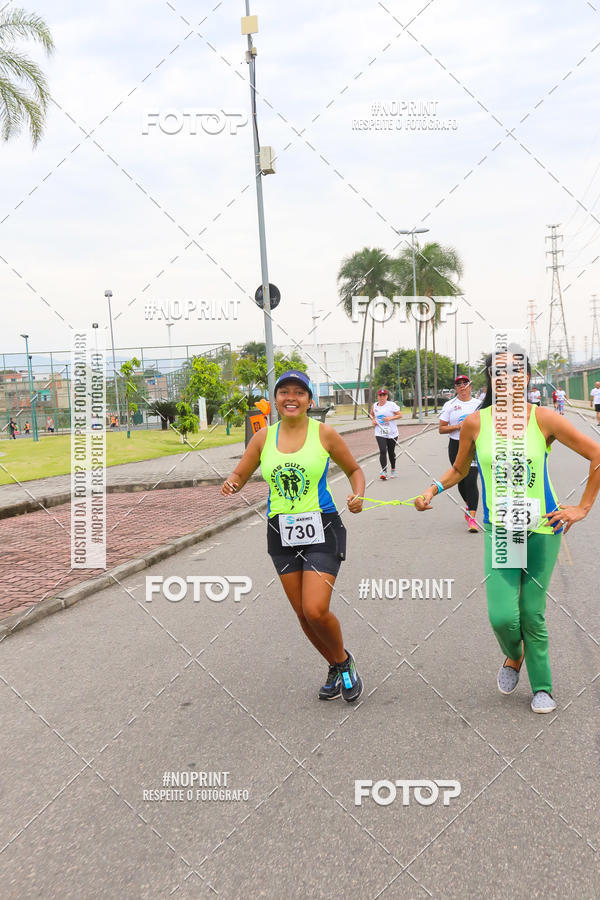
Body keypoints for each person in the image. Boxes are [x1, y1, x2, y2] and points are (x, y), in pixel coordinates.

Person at [415, 349, 600, 713]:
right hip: (502, 531)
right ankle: (513, 656)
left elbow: (597, 453)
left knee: (532, 612)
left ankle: (542, 686)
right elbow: (459, 469)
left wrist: (583, 507)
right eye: (499, 372)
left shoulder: (544, 418)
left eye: (517, 371)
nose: (509, 377)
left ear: (527, 378)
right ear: (491, 379)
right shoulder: (475, 423)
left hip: (543, 529)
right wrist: (431, 490)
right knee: (502, 616)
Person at [221, 369, 366, 702]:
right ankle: (336, 665)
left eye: (299, 392)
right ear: (275, 400)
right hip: (281, 531)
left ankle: (344, 662)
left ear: (309, 400)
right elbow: (241, 473)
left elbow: (354, 470)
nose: (291, 397)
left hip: (322, 525)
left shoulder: (324, 434)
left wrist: (357, 494)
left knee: (315, 609)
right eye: (284, 391)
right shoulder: (262, 438)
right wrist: (231, 483)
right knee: (302, 613)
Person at [438, 375, 481, 532]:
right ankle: (470, 507)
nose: (462, 387)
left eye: (465, 384)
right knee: (460, 481)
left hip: (474, 446)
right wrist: (458, 426)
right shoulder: (450, 405)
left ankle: (472, 517)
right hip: (455, 445)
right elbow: (441, 428)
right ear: (455, 388)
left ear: (470, 386)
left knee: (471, 480)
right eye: (459, 384)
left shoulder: (479, 405)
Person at [370, 387, 403, 480]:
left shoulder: (391, 405)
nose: (382, 397)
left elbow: (400, 415)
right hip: (379, 432)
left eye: (384, 395)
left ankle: (393, 469)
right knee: (382, 451)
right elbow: (371, 414)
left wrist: (390, 418)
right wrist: (373, 420)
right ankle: (384, 471)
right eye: (380, 395)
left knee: (391, 452)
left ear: (387, 396)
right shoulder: (375, 406)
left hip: (392, 432)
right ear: (377, 397)